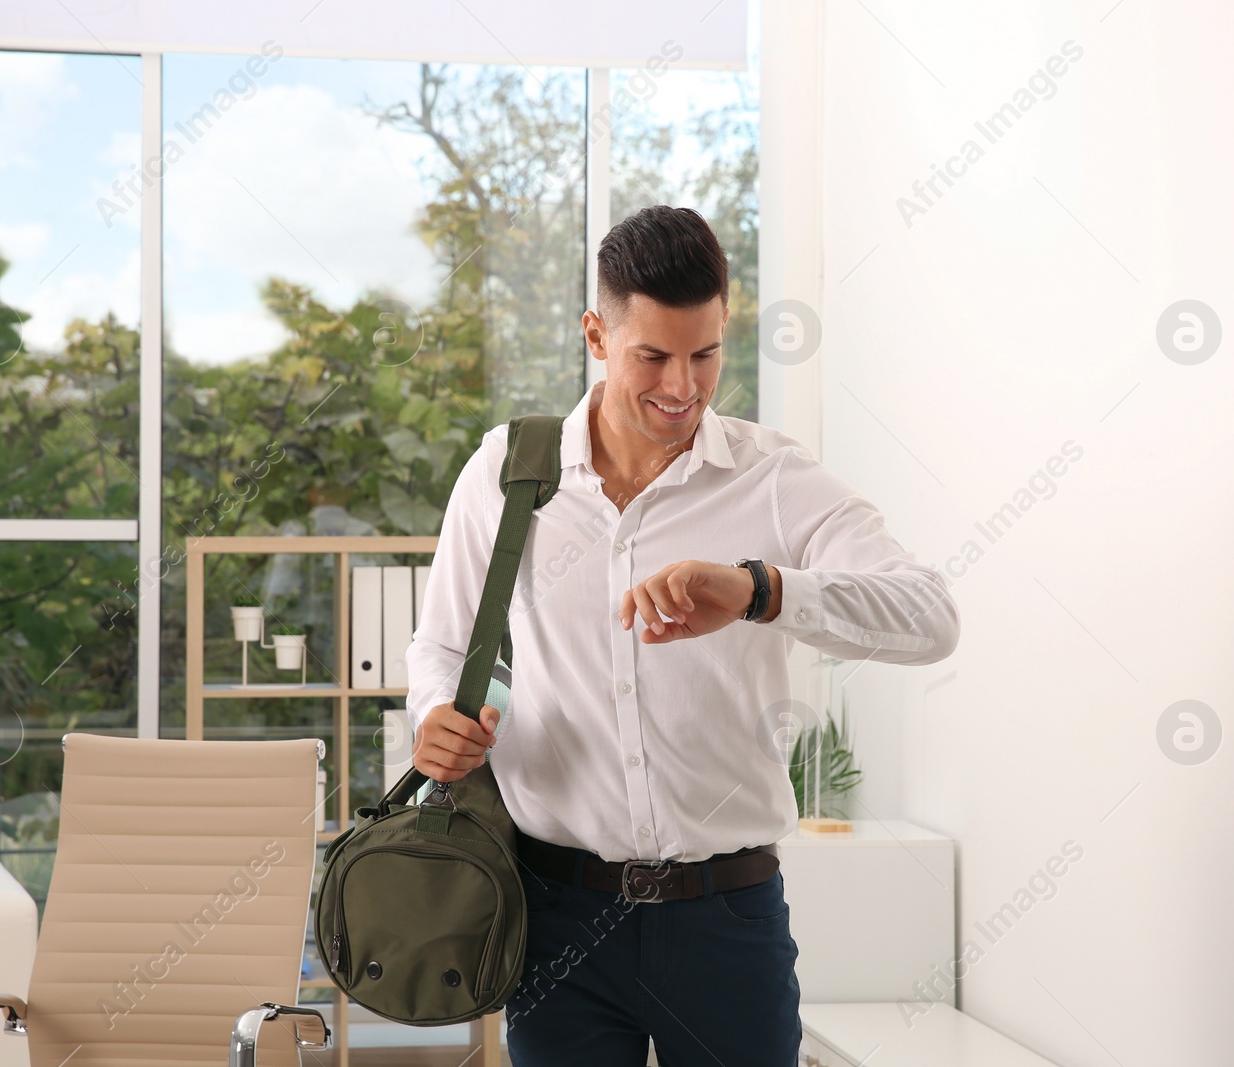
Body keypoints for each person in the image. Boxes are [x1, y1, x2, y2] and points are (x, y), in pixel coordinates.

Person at [405, 205, 961, 1066]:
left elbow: (929, 616)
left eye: (705, 354)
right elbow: (440, 643)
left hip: (726, 920)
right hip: (558, 922)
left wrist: (758, 590)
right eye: (653, 355)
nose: (683, 386)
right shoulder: (509, 474)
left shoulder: (773, 478)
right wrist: (436, 708)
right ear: (597, 332)